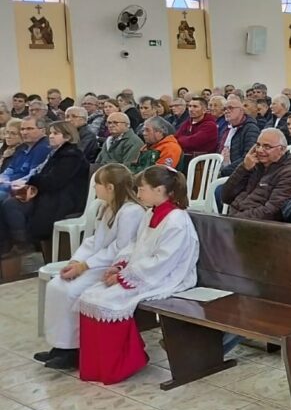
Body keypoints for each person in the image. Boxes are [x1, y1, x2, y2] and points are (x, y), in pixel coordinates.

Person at [76, 166, 199, 383]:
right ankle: (96, 366)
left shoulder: (176, 220)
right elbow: (136, 244)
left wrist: (126, 277)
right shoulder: (151, 212)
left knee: (109, 302)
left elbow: (163, 261)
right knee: (90, 296)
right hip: (142, 272)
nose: (138, 194)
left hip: (167, 276)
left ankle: (123, 364)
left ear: (159, 190)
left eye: (142, 189)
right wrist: (120, 265)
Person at [37, 164, 145, 369]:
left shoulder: (131, 211)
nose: (94, 188)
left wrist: (86, 265)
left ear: (111, 187)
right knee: (57, 286)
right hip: (97, 261)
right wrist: (76, 261)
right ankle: (60, 346)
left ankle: (74, 350)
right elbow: (95, 241)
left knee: (72, 291)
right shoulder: (109, 207)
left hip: (113, 266)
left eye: (97, 184)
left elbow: (120, 248)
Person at [0, 121, 90, 255]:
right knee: (9, 201)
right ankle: (10, 244)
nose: (51, 136)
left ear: (68, 137)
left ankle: (24, 244)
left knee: (11, 205)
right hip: (49, 194)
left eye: (55, 133)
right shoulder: (55, 153)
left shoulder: (71, 156)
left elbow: (53, 182)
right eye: (50, 133)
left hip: (63, 199)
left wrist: (31, 181)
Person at [221, 128, 291, 221]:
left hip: (259, 227)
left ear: (282, 150)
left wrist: (235, 219)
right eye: (258, 145)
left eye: (267, 147)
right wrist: (244, 168)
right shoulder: (254, 165)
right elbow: (225, 197)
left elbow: (272, 212)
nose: (260, 150)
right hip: (237, 220)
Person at [0, 116, 54, 200]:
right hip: (7, 186)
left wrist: (8, 184)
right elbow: (9, 170)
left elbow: (32, 176)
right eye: (22, 129)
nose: (24, 132)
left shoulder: (44, 147)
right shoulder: (22, 147)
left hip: (22, 192)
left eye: (29, 129)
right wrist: (2, 179)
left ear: (42, 131)